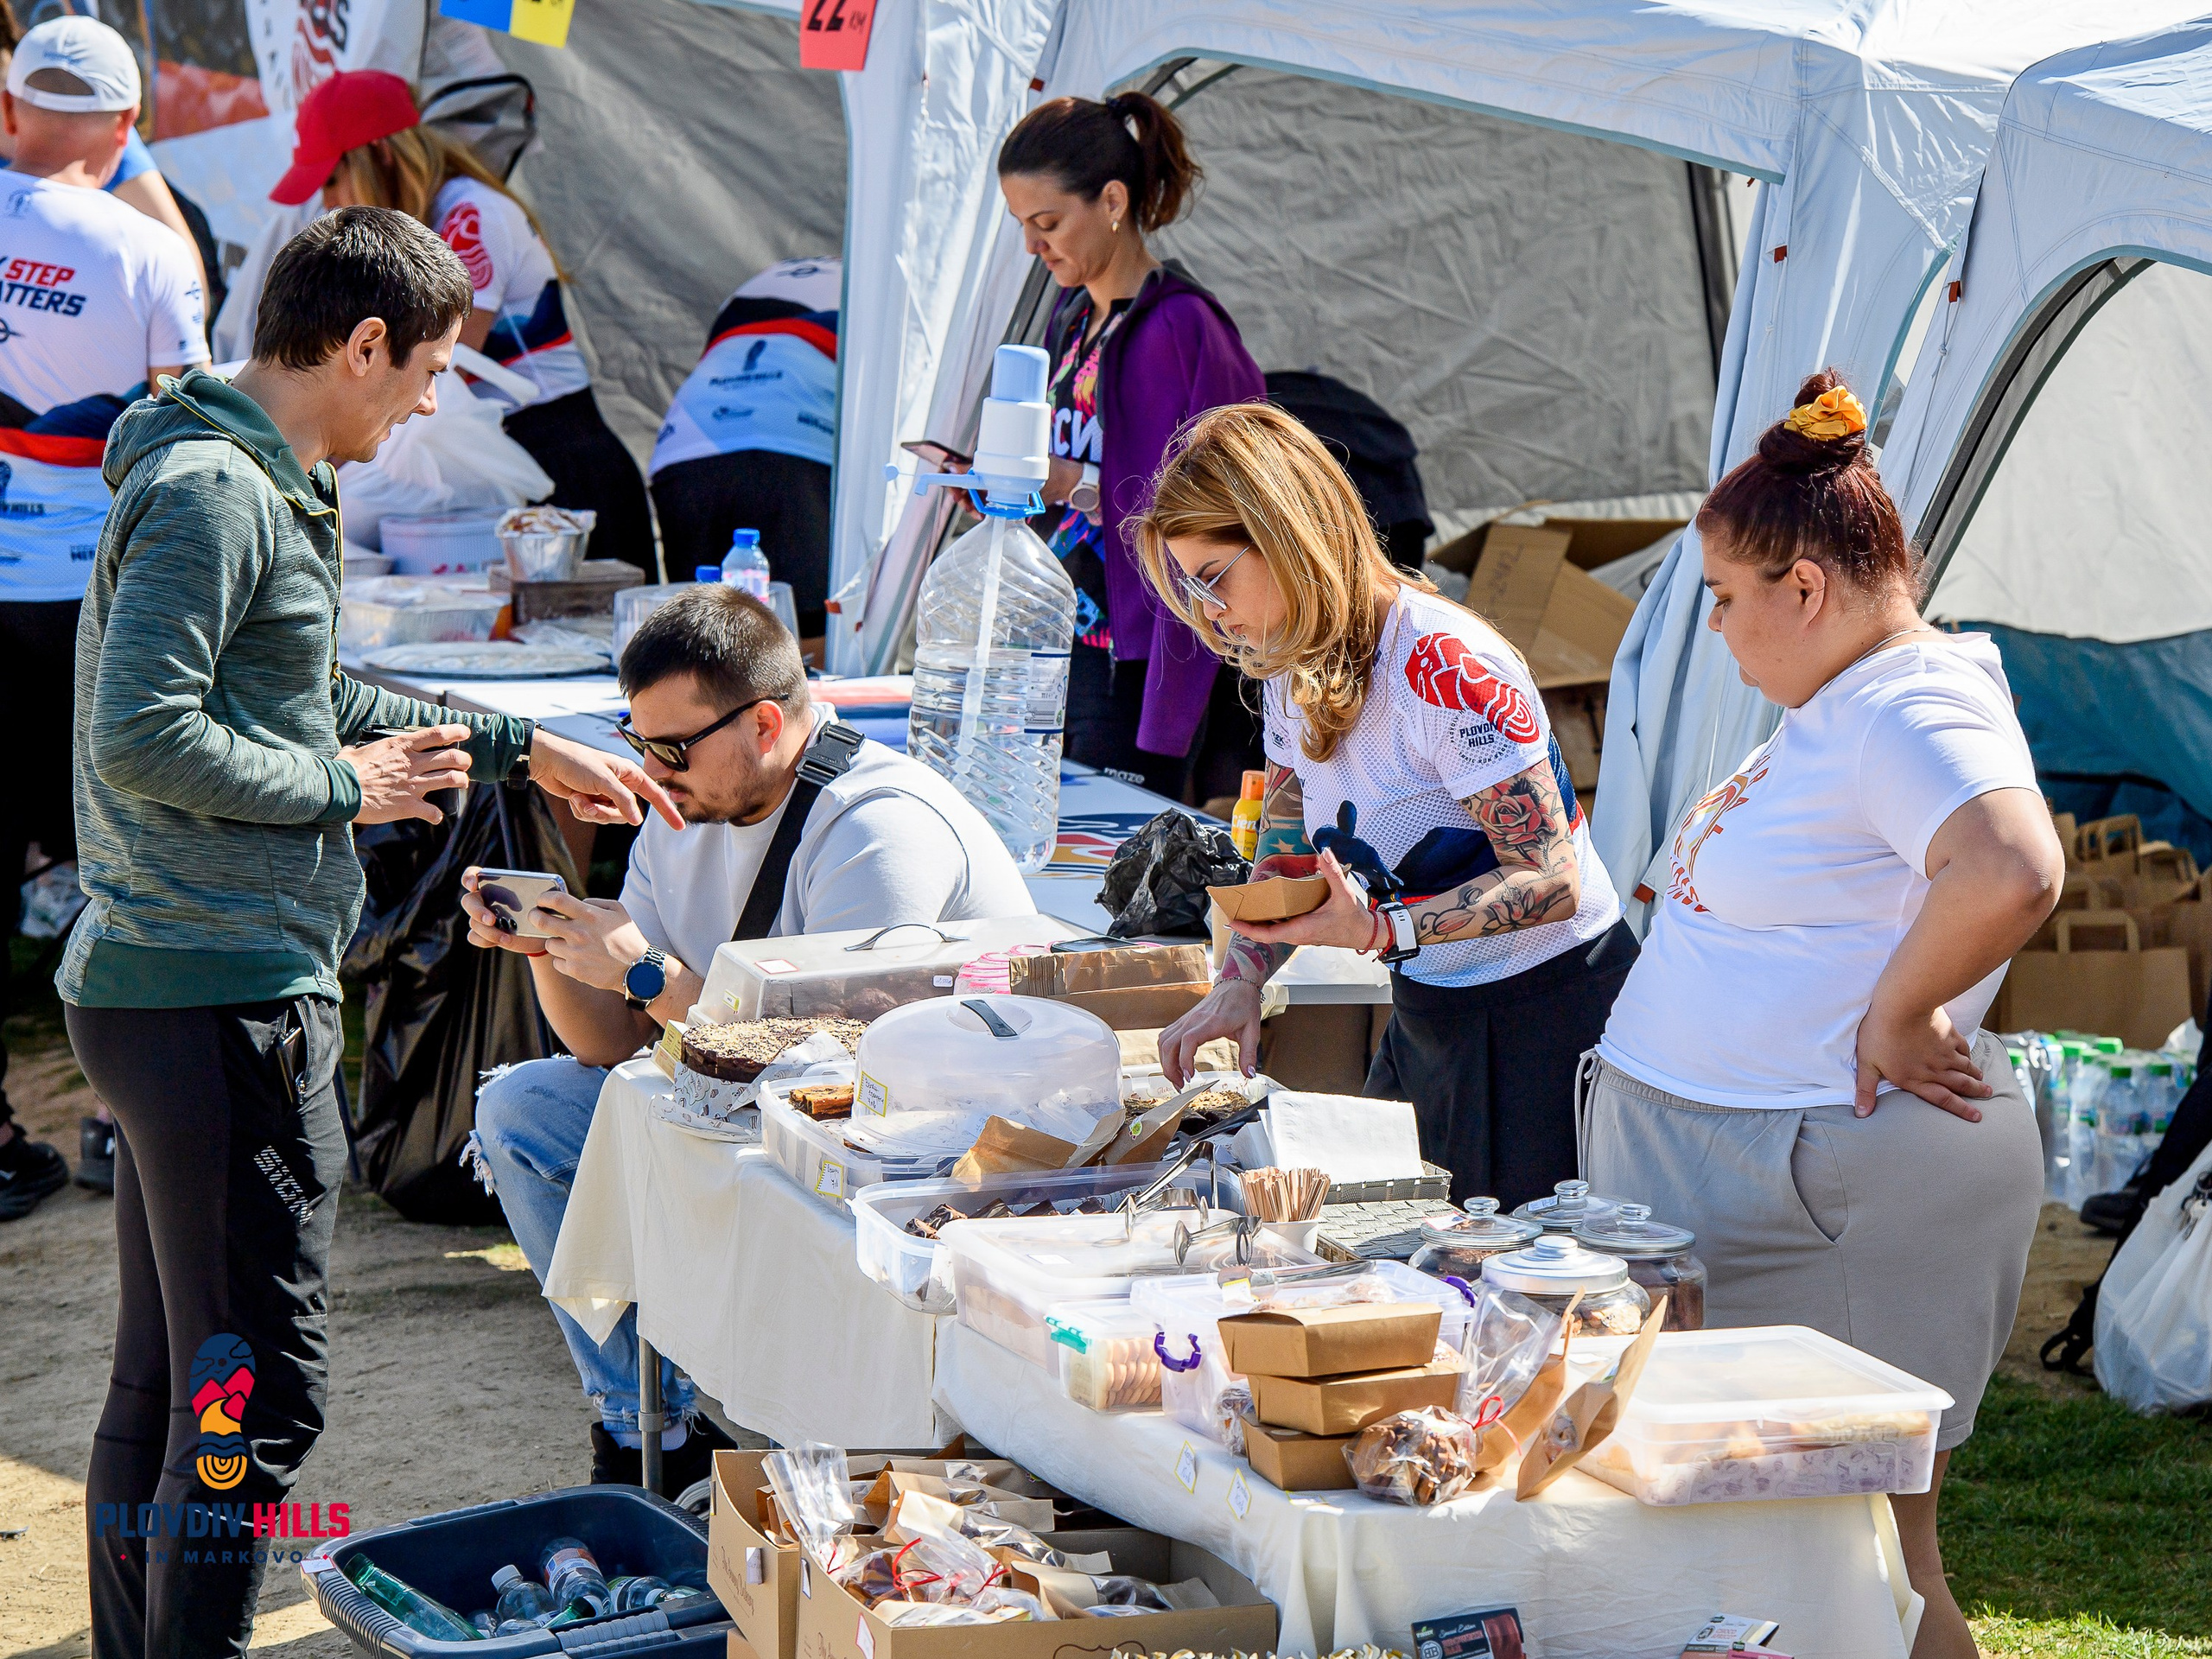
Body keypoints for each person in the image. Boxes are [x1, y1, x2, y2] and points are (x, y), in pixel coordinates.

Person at [67, 205, 677, 1659]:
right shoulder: (221, 491)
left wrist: (517, 749)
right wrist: (347, 790)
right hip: (213, 999)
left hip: (174, 990)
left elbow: (299, 695)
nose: (418, 412)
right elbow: (141, 733)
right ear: (360, 345)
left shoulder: (246, 478)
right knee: (251, 1402)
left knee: (177, 1388)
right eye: (422, 377)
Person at [1582, 372, 2060, 1659]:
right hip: (1756, 1165)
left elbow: (2013, 867)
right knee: (1776, 1571)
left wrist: (1897, 1014)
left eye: (1730, 602)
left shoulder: (1912, 700)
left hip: (1823, 1182)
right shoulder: (1852, 698)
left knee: (1874, 1579)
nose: (1722, 633)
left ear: (1806, 586)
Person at [463, 583, 1034, 1492]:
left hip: (909, 1155)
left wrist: (643, 971)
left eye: (672, 746)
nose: (653, 767)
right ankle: (648, 1431)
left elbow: (841, 1072)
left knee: (709, 1147)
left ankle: (802, 1457)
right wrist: (548, 947)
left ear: (765, 724)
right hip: (753, 1112)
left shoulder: (876, 828)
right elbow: (608, 1047)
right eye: (637, 739)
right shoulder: (688, 804)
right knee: (523, 1111)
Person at [1146, 404, 1636, 1206]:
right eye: (1185, 588)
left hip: (1545, 1016)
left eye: (1212, 578)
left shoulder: (1445, 663)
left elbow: (1552, 882)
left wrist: (1380, 929)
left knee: (1497, 1291)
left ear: (1287, 531)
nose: (1208, 614)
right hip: (1431, 1007)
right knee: (1388, 1246)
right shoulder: (1288, 657)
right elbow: (1289, 827)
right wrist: (1242, 977)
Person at [0, 16, 207, 1224]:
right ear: (127, 129)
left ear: (13, 109)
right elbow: (189, 419)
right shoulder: (143, 245)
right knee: (114, 852)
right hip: (84, 588)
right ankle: (119, 1122)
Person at [270, 69, 658, 574]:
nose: (326, 201)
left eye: (332, 178)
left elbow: (434, 370)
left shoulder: (471, 214)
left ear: (381, 155)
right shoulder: (430, 222)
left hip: (563, 461)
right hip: (504, 460)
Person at [997, 92, 1264, 800]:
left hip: (1141, 663)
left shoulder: (1186, 328)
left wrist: (1071, 481)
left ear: (1112, 200)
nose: (1032, 245)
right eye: (1023, 225)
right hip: (1056, 648)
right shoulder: (1073, 314)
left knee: (1111, 877)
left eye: (1047, 222)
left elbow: (1236, 507)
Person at [650, 256, 839, 644]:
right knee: (803, 639)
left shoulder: (763, 281)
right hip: (791, 441)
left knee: (701, 636)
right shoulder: (885, 287)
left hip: (687, 445)